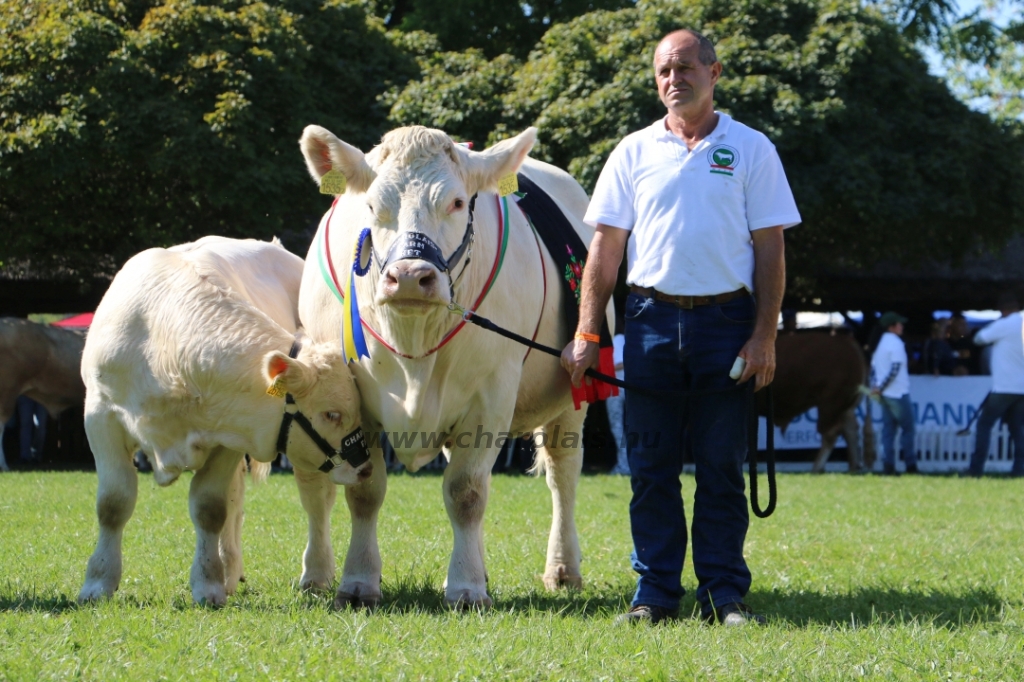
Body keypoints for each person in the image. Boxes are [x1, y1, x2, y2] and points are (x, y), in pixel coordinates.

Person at [560, 29, 801, 626]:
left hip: (727, 323)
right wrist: (590, 330)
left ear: (715, 73)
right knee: (650, 468)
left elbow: (770, 249)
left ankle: (724, 595)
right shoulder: (632, 151)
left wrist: (764, 334)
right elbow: (605, 252)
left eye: (687, 67)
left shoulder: (751, 148)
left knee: (721, 466)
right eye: (665, 71)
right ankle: (654, 596)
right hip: (648, 322)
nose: (675, 79)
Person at [963, 294, 1024, 477]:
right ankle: (1019, 470)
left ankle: (976, 470)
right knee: (1017, 429)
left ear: (1003, 311)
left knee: (984, 425)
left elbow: (979, 339)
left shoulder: (1005, 324)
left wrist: (996, 330)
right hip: (1022, 388)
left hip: (1004, 387)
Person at [870, 311, 918, 475]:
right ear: (892, 327)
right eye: (899, 324)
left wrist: (877, 387)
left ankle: (888, 465)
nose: (902, 326)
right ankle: (910, 465)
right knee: (908, 429)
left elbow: (875, 369)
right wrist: (882, 387)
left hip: (885, 395)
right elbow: (895, 369)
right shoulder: (896, 343)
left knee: (888, 431)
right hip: (898, 393)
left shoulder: (879, 344)